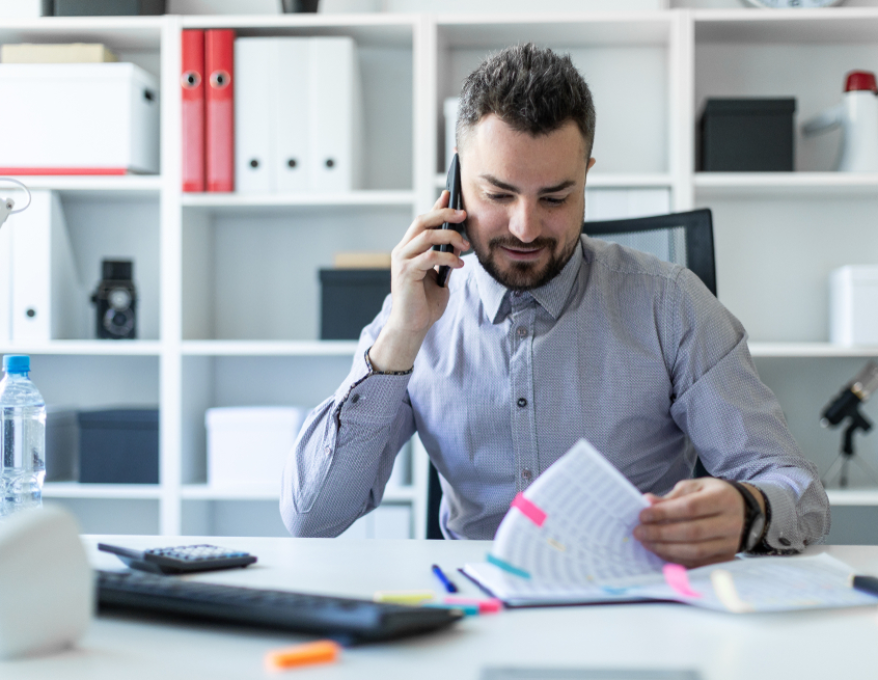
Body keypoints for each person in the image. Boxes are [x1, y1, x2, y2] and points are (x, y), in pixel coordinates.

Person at [281, 43, 829, 567]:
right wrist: (400, 338)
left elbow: (798, 491)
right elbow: (312, 516)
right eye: (497, 194)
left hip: (637, 604)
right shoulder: (412, 314)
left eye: (555, 198)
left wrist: (747, 510)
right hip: (478, 612)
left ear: (587, 175)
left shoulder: (671, 305)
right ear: (454, 182)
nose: (525, 227)